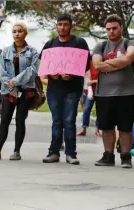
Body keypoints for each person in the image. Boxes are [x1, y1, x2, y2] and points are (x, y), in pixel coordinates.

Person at [40, 14, 90, 165]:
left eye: (65, 24)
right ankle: (53, 152)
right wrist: (50, 75)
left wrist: (73, 75)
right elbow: (42, 65)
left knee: (69, 121)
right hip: (54, 89)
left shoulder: (79, 43)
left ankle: (71, 154)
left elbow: (86, 65)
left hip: (72, 89)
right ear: (56, 26)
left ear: (71, 26)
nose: (62, 27)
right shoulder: (50, 45)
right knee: (56, 122)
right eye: (60, 24)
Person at [0, 22, 38, 161]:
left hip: (26, 91)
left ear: (25, 33)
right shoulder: (6, 51)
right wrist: (12, 87)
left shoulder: (32, 51)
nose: (17, 34)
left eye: (20, 31)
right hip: (8, 92)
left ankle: (16, 151)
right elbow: (3, 71)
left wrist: (15, 82)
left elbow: (31, 71)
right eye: (14, 31)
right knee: (4, 120)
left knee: (20, 121)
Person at [92, 15, 134, 168]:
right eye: (108, 29)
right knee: (106, 127)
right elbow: (97, 65)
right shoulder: (101, 45)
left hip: (126, 94)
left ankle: (126, 157)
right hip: (103, 95)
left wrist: (107, 63)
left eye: (114, 28)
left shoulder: (130, 43)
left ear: (121, 27)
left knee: (125, 128)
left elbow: (129, 58)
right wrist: (120, 62)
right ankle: (108, 156)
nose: (111, 31)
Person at [77, 63, 101, 137]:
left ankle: (97, 129)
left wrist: (93, 81)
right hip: (90, 91)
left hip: (100, 91)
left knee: (99, 110)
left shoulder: (101, 66)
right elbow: (88, 82)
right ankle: (84, 129)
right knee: (86, 109)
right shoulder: (89, 67)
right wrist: (96, 81)